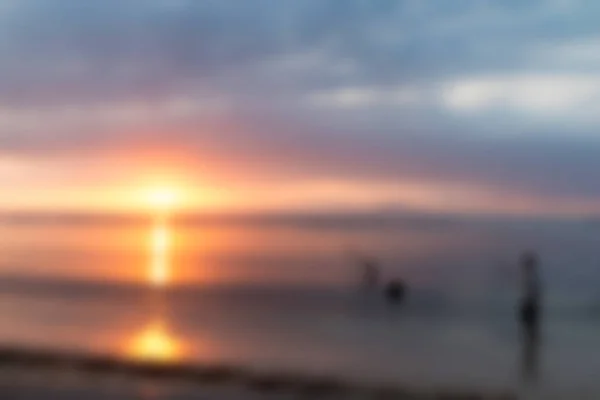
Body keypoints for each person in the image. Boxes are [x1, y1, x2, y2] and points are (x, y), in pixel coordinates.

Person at [518, 251, 542, 382]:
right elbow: (532, 295)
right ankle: (529, 365)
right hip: (529, 308)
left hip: (530, 307)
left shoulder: (531, 277)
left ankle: (529, 365)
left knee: (530, 337)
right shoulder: (530, 277)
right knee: (530, 337)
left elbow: (532, 295)